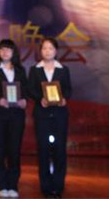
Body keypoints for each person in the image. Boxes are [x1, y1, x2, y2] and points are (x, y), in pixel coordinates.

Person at [27, 37, 72, 199]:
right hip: (42, 114)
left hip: (60, 114)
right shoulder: (35, 70)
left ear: (56, 51)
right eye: (44, 48)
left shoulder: (63, 69)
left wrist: (64, 98)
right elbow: (30, 89)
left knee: (60, 150)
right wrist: (40, 99)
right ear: (41, 51)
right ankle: (45, 187)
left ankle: (58, 187)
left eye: (51, 48)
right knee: (43, 150)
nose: (47, 51)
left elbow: (68, 89)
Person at [0, 39, 28, 198]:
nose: (5, 52)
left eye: (8, 49)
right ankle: (0, 185)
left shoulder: (21, 70)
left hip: (16, 115)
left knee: (14, 150)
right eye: (2, 49)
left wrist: (24, 100)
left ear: (13, 52)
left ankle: (13, 185)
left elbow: (26, 90)